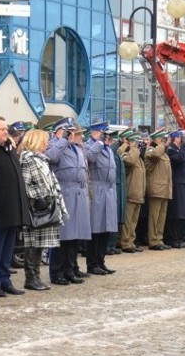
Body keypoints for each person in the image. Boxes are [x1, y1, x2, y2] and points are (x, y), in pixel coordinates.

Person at [0, 115, 29, 297]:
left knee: (8, 249)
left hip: (12, 208)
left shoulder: (9, 149)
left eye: (6, 129)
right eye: (2, 129)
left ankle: (5, 280)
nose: (6, 132)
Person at [19, 128, 68, 290]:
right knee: (33, 244)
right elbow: (25, 185)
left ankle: (36, 277)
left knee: (40, 244)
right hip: (37, 208)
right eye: (45, 141)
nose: (47, 144)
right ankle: (31, 278)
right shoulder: (27, 159)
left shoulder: (41, 159)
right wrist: (40, 196)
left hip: (47, 206)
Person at [47, 119, 92, 284]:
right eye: (68, 131)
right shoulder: (54, 145)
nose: (71, 134)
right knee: (62, 235)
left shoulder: (76, 148)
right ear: (58, 131)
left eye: (72, 132)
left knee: (75, 235)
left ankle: (69, 269)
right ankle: (56, 272)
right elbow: (50, 157)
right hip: (64, 194)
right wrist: (63, 140)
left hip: (79, 193)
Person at [85, 122, 118, 274]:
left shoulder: (107, 148)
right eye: (104, 133)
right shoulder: (89, 145)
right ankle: (92, 264)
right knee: (95, 229)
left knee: (106, 229)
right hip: (97, 189)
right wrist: (98, 142)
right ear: (96, 132)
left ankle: (101, 261)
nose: (107, 136)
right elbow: (89, 158)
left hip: (109, 190)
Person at [118, 130, 146, 253]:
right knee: (128, 220)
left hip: (138, 192)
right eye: (134, 140)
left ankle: (131, 241)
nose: (137, 143)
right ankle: (125, 242)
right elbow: (130, 161)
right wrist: (132, 148)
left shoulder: (136, 154)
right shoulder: (126, 152)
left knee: (134, 220)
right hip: (131, 191)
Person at [144, 129, 172, 251]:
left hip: (164, 188)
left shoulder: (164, 153)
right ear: (157, 139)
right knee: (154, 217)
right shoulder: (150, 150)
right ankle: (153, 240)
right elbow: (155, 155)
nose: (164, 141)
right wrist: (161, 144)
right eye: (162, 138)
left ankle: (159, 239)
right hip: (156, 187)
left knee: (161, 216)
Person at [164, 130, 185, 248]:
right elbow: (178, 159)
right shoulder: (171, 150)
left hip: (183, 184)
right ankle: (172, 238)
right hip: (176, 184)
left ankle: (179, 237)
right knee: (176, 212)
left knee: (183, 213)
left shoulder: (180, 150)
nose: (183, 139)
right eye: (181, 137)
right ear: (175, 138)